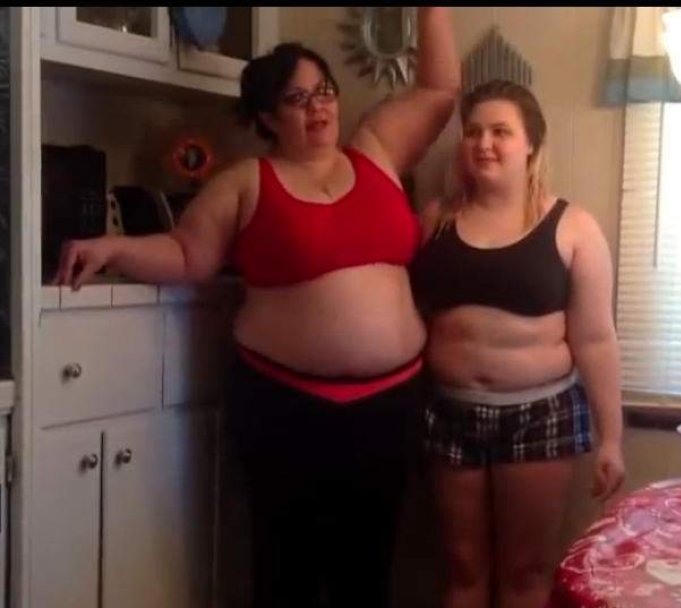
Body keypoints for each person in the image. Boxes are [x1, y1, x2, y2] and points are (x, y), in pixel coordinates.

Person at [52, 8, 459, 608]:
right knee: (286, 570)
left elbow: (440, 91)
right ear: (268, 116)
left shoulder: (375, 149)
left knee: (367, 571)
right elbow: (188, 254)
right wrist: (113, 247)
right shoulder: (246, 182)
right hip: (287, 406)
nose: (318, 106)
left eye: (324, 91)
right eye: (297, 98)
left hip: (389, 405)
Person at [409, 79, 627, 608]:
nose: (484, 143)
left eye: (500, 132)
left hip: (539, 415)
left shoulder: (572, 227)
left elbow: (596, 338)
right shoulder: (434, 220)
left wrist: (612, 439)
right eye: (473, 131)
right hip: (449, 413)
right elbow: (409, 317)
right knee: (462, 568)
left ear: (531, 144)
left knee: (526, 573)